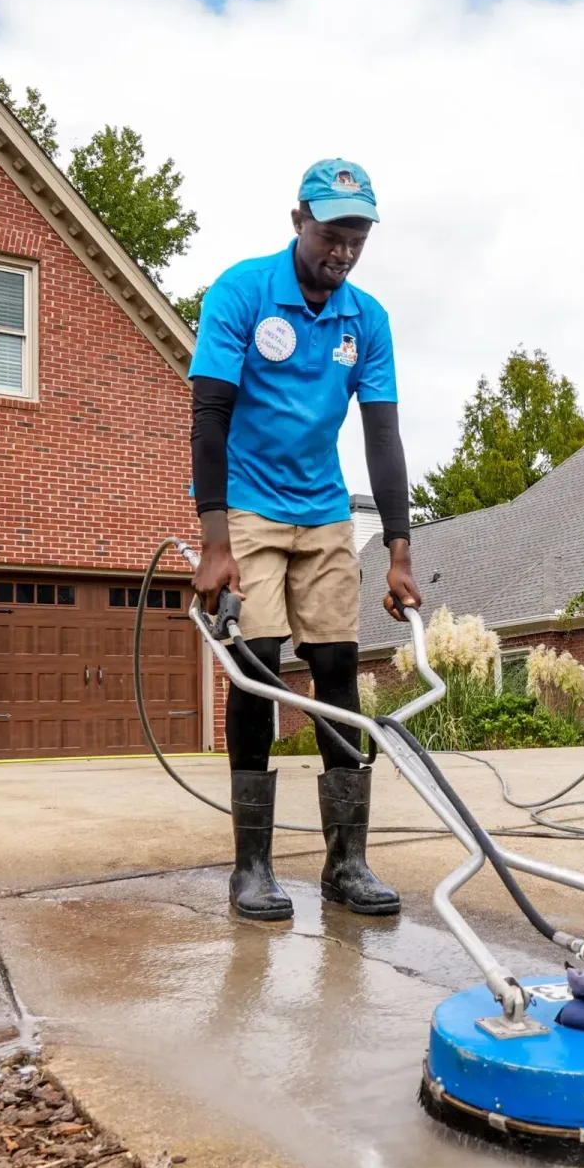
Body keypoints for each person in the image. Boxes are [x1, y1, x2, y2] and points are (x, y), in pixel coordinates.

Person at [188, 158, 420, 922]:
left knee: (337, 670)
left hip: (323, 509)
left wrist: (397, 550)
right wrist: (215, 542)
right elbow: (209, 417)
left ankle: (346, 862)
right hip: (248, 505)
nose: (343, 252)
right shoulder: (242, 294)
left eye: (357, 238)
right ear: (298, 221)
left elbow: (381, 436)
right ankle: (251, 867)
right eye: (331, 234)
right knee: (257, 670)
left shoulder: (367, 319)